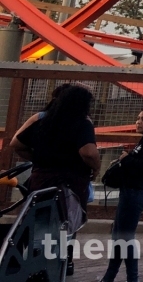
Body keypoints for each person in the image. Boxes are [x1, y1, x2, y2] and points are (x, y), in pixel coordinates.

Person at [11, 83, 99, 276]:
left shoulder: (43, 120)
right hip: (70, 183)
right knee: (66, 223)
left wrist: (38, 158)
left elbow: (16, 142)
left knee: (40, 225)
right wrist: (96, 168)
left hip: (41, 181)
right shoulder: (82, 122)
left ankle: (36, 266)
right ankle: (58, 266)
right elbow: (88, 152)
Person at [100, 104, 143, 282]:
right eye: (138, 118)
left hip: (136, 193)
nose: (138, 122)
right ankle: (109, 276)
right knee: (119, 236)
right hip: (132, 191)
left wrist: (127, 158)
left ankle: (132, 278)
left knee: (124, 237)